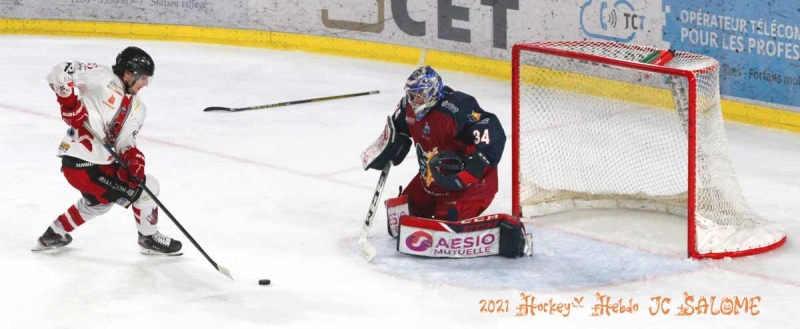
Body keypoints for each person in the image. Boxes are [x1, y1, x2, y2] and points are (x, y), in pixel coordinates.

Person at [361, 66, 530, 258]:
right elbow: (397, 129)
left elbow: (491, 130)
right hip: (433, 178)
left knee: (444, 229)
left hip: (470, 184)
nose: (412, 100)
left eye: (417, 95)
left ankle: (505, 236)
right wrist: (389, 145)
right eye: (411, 95)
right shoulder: (407, 108)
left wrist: (472, 167)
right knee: (401, 216)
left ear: (432, 92)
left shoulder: (458, 107)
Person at [32, 46, 182, 256]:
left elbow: (125, 142)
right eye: (143, 77)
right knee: (149, 189)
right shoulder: (101, 75)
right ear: (128, 73)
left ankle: (54, 234)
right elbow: (59, 72)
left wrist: (134, 159)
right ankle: (148, 237)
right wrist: (69, 105)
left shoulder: (138, 108)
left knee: (99, 203)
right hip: (82, 162)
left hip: (93, 167)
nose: (146, 83)